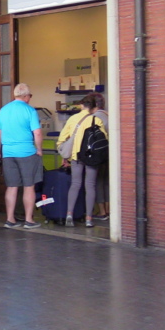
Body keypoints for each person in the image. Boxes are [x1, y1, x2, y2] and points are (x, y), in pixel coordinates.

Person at [0, 83, 43, 229]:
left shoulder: (3, 110)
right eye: (30, 95)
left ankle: (10, 219)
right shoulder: (30, 110)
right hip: (27, 152)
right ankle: (29, 220)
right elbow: (37, 133)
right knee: (29, 186)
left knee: (11, 186)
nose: (30, 98)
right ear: (26, 96)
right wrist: (39, 149)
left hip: (8, 153)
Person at [57, 94, 108, 228]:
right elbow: (103, 139)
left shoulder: (73, 119)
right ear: (94, 107)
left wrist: (65, 155)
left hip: (76, 157)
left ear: (82, 105)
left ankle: (69, 214)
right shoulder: (97, 120)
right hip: (91, 157)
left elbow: (62, 139)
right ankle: (89, 219)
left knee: (75, 184)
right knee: (90, 185)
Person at [90, 92, 110, 221]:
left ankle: (102, 212)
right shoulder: (108, 114)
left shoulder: (95, 118)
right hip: (109, 153)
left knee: (97, 182)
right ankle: (109, 210)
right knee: (107, 182)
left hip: (99, 154)